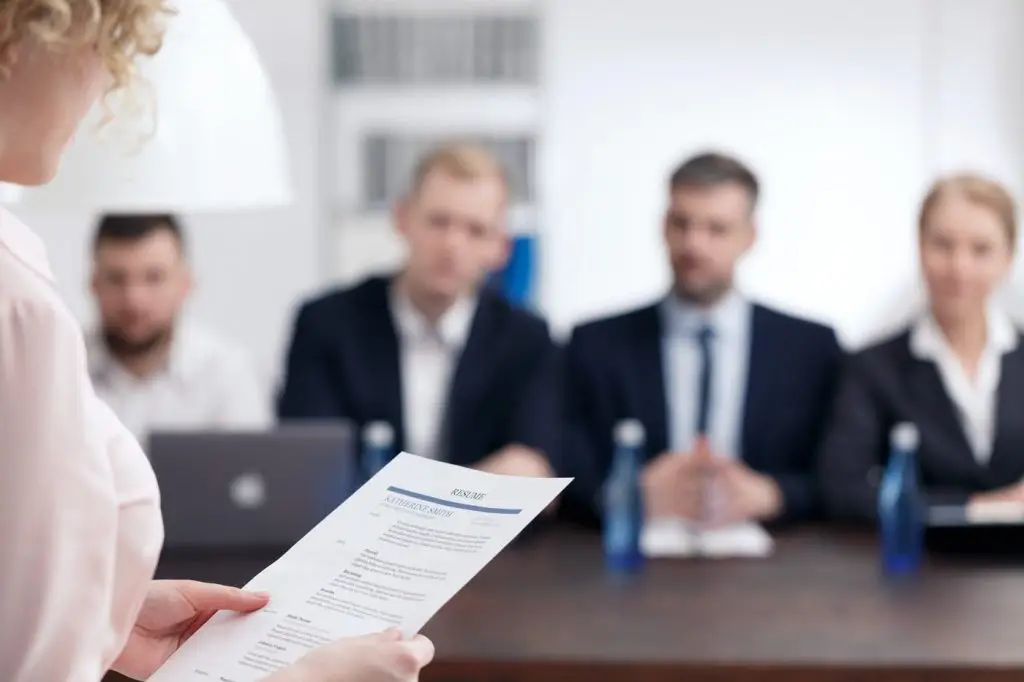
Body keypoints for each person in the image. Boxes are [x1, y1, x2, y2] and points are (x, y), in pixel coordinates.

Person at [0, 2, 432, 681]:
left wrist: (107, 617)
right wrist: (308, 678)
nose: (107, 82)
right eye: (102, 47)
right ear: (20, 39)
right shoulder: (18, 304)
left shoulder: (21, 278)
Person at [562, 152, 842, 527]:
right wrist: (623, 491)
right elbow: (563, 467)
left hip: (774, 566)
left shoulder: (810, 350)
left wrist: (774, 494)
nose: (694, 245)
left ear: (749, 237)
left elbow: (840, 476)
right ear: (663, 226)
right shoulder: (595, 345)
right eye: (682, 224)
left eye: (716, 229)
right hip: (628, 558)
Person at [278, 143, 559, 478]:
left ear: (500, 248)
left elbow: (533, 464)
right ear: (402, 219)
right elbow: (308, 463)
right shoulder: (326, 325)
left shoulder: (527, 339)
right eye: (439, 222)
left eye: (475, 230)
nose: (452, 245)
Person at [819, 174, 1024, 521]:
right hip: (920, 565)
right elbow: (840, 487)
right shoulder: (873, 367)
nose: (959, 268)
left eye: (981, 250)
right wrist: (974, 509)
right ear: (920, 247)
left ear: (1008, 258)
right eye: (943, 245)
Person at [86, 213, 272, 439]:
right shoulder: (58, 367)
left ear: (185, 284)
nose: (134, 299)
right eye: (117, 278)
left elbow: (250, 469)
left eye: (154, 277)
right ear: (94, 285)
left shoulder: (228, 373)